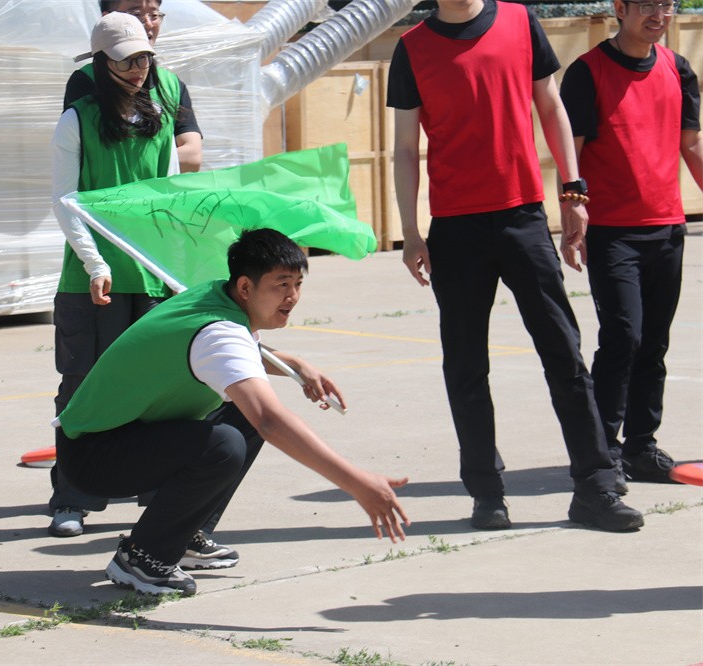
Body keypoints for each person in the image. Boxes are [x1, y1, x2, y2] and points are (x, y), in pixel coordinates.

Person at [387, 0, 644, 532]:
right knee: (465, 366)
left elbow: (551, 106)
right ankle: (486, 494)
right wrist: (410, 232)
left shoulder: (519, 21)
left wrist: (573, 191)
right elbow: (406, 148)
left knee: (564, 354)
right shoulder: (412, 48)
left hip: (522, 217)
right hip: (455, 228)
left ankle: (595, 486)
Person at [55, 228, 410, 596]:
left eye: (298, 284)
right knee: (225, 443)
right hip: (93, 456)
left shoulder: (215, 295)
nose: (292, 296)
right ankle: (141, 560)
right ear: (245, 286)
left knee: (242, 416)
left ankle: (181, 536)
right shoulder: (220, 331)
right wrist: (357, 483)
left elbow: (237, 353)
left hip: (118, 437)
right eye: (281, 285)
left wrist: (296, 364)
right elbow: (269, 418)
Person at [47, 12, 186, 538]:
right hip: (91, 281)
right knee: (83, 387)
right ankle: (73, 498)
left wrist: (174, 268)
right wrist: (95, 262)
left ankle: (158, 497)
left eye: (144, 58)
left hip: (151, 278)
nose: (137, 68)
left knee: (158, 390)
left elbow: (172, 199)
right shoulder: (76, 120)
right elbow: (65, 200)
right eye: (126, 60)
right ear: (101, 64)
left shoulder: (162, 119)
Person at [560, 0, 702, 489]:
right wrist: (571, 214)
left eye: (667, 4)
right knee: (625, 336)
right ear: (620, 9)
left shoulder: (678, 69)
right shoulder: (587, 73)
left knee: (654, 342)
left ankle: (641, 446)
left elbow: (691, 143)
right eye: (646, 4)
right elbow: (570, 151)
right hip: (614, 231)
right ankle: (602, 450)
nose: (659, 14)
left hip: (667, 227)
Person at [63, 0, 203, 174]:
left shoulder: (171, 85)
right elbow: (90, 157)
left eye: (154, 15)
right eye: (136, 14)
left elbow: (192, 157)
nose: (148, 23)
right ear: (107, 19)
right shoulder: (85, 82)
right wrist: (159, 156)